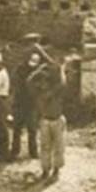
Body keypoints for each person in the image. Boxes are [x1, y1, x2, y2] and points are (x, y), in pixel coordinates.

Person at [27, 44, 67, 182]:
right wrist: (39, 69)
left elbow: (61, 82)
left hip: (57, 120)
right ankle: (45, 170)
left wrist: (60, 69)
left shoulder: (54, 91)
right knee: (44, 147)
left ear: (47, 82)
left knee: (59, 147)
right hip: (45, 121)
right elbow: (29, 80)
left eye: (45, 81)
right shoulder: (38, 93)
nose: (43, 84)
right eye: (41, 82)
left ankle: (56, 170)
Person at [11, 43, 42, 160]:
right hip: (20, 102)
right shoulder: (20, 69)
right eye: (32, 60)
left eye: (36, 61)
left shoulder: (38, 71)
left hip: (32, 104)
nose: (33, 63)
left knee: (32, 129)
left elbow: (40, 86)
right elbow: (16, 83)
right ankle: (15, 151)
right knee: (16, 129)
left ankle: (33, 152)